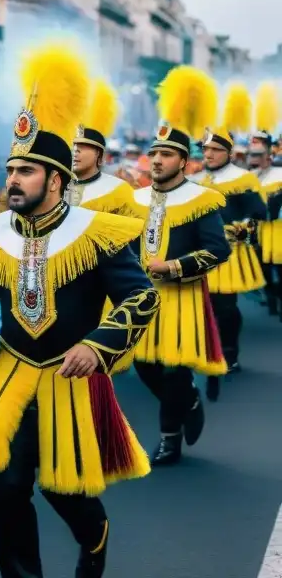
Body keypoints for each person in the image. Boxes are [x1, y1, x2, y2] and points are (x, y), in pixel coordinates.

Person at [0, 43, 159, 578]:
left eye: (25, 171)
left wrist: (97, 346)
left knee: (64, 488)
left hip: (73, 376)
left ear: (57, 179)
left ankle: (95, 538)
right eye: (10, 169)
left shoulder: (99, 234)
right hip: (10, 371)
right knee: (6, 483)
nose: (12, 180)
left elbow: (141, 298)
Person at [127, 66, 229, 465]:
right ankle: (189, 401)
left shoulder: (201, 200)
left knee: (171, 370)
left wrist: (174, 266)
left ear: (184, 162)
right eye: (153, 153)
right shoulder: (134, 199)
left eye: (166, 154)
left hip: (181, 299)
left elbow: (217, 250)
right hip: (141, 300)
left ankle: (169, 439)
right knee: (146, 368)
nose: (156, 159)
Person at [198, 83, 266, 398]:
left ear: (228, 152)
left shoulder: (243, 178)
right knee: (201, 305)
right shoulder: (197, 180)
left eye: (214, 150)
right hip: (197, 253)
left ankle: (229, 351)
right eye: (206, 149)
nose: (208, 154)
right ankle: (206, 352)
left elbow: (258, 214)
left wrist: (241, 229)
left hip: (230, 253)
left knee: (225, 306)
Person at [65, 79, 140, 215]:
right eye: (74, 146)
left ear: (99, 155)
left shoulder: (118, 189)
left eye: (84, 146)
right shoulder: (56, 187)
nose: (76, 150)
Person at [249, 82, 282, 318]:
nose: (256, 156)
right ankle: (270, 297)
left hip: (279, 229)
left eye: (260, 152)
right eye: (253, 152)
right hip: (259, 229)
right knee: (263, 267)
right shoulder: (247, 177)